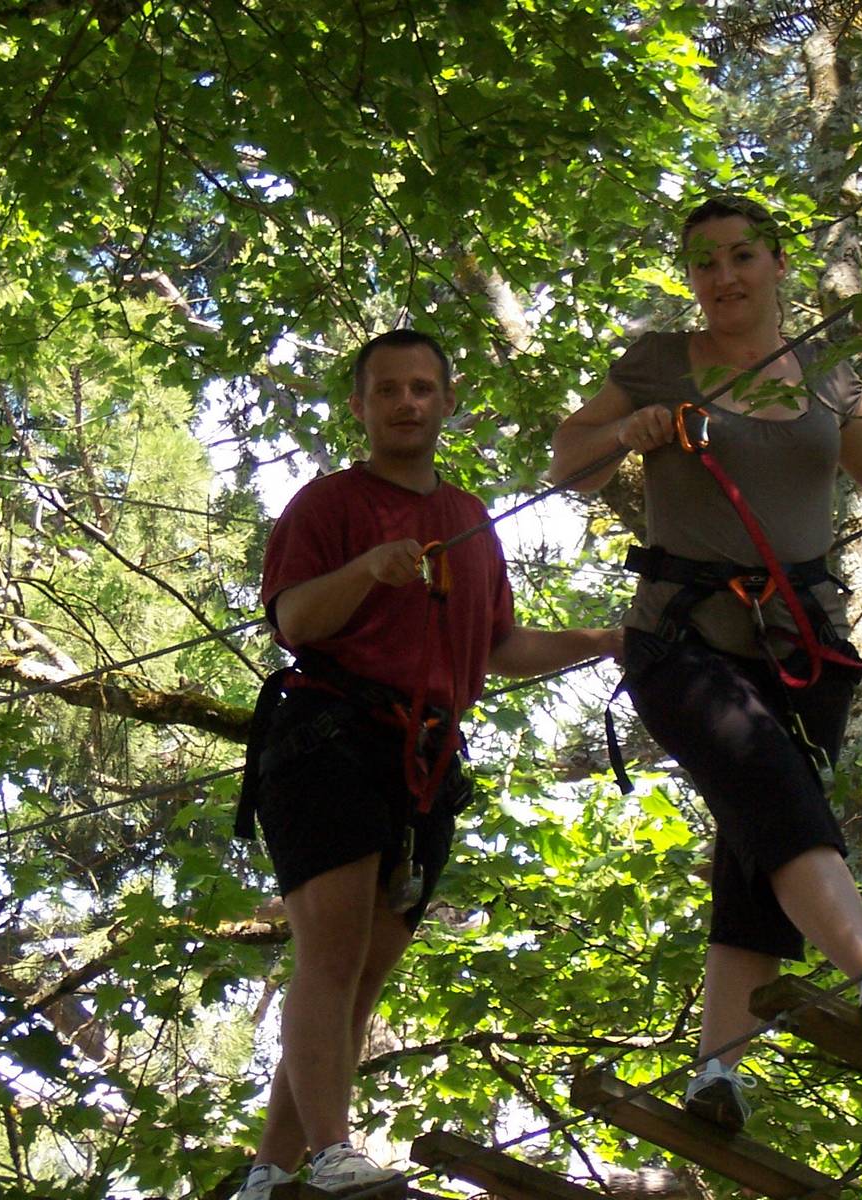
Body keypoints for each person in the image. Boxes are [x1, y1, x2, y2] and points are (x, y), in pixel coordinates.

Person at [548, 195, 862, 1132]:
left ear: (779, 264)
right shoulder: (659, 362)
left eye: (742, 256)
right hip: (681, 639)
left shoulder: (825, 369)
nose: (724, 277)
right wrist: (628, 432)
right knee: (772, 789)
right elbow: (566, 463)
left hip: (801, 645)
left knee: (759, 841)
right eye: (705, 263)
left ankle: (716, 1075)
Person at [236, 329, 622, 1199]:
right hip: (331, 738)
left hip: (426, 761)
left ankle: (270, 1171)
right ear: (360, 407)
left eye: (421, 388)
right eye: (387, 390)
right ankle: (331, 1151)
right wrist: (367, 571)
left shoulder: (470, 518)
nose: (406, 403)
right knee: (331, 952)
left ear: (448, 401)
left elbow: (500, 645)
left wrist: (602, 640)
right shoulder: (328, 504)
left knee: (364, 971)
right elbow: (295, 620)